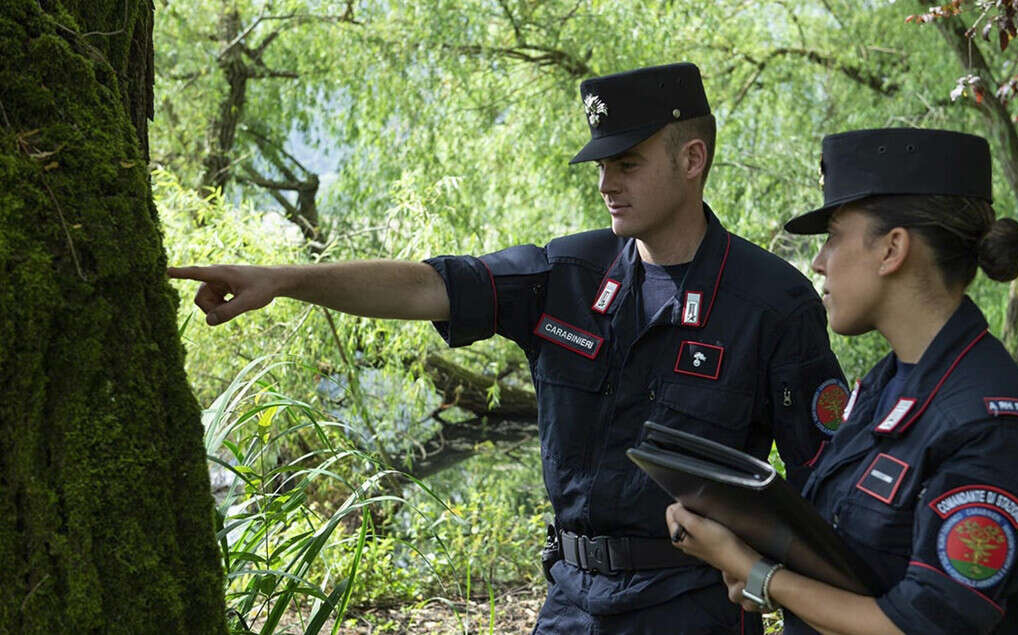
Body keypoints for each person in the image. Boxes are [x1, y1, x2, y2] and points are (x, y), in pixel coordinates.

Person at [170, 63, 846, 634]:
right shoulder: (566, 274)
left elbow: (823, 490)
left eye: (628, 163)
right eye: (603, 164)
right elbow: (424, 286)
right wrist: (283, 280)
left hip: (690, 605)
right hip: (571, 601)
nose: (607, 182)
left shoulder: (770, 303)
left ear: (691, 159)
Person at [665, 128, 1018, 634]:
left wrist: (762, 577)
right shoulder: (889, 384)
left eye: (834, 237)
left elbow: (919, 626)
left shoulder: (992, 427)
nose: (819, 261)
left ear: (892, 249)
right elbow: (852, 561)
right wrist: (745, 546)